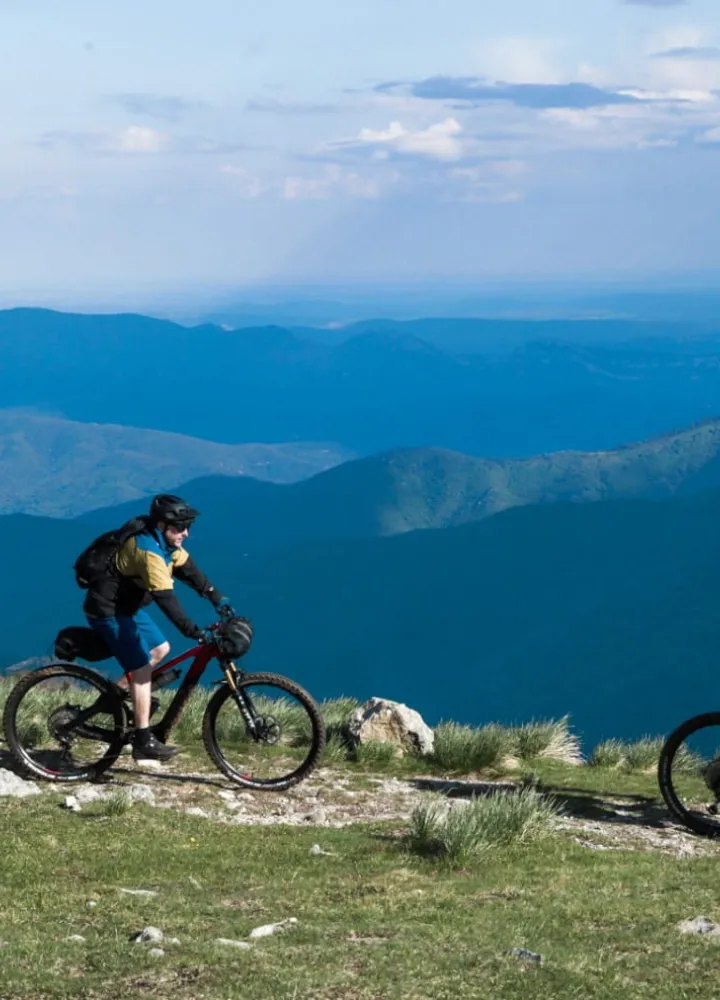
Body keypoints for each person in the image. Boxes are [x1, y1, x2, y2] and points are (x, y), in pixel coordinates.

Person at [83, 493, 230, 762]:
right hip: (108, 610)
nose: (185, 533)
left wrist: (217, 597)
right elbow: (165, 599)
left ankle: (113, 697)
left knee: (160, 648)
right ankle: (143, 740)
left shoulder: (166, 545)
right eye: (180, 527)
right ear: (162, 525)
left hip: (126, 607)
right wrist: (193, 630)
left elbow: (190, 571)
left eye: (188, 526)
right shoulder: (148, 550)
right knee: (141, 670)